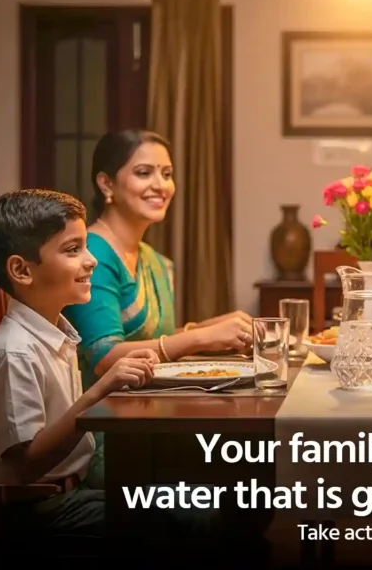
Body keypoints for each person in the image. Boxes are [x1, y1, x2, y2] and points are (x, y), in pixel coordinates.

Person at [0, 189, 165, 551]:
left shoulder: (54, 334)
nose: (91, 261)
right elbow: (26, 466)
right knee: (184, 518)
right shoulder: (14, 353)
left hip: (67, 495)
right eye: (73, 250)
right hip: (33, 514)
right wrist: (99, 391)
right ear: (22, 270)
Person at [62, 129, 252, 488]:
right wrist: (201, 338)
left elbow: (154, 341)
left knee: (251, 461)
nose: (161, 185)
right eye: (144, 172)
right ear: (106, 183)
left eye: (167, 174)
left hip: (151, 416)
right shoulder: (94, 256)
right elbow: (106, 357)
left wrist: (211, 329)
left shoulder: (153, 259)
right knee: (244, 467)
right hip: (106, 432)